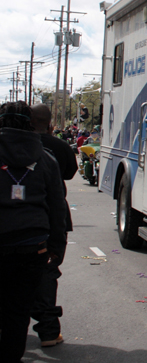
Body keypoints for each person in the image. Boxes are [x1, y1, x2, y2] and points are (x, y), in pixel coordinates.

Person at [0, 101, 67, 362]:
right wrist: (56, 247)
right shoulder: (46, 158)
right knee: (18, 313)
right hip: (32, 247)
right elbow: (57, 207)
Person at [29, 104, 78, 348]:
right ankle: (48, 331)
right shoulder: (58, 147)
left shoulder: (11, 146)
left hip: (15, 220)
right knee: (47, 273)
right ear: (50, 125)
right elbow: (70, 173)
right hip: (51, 215)